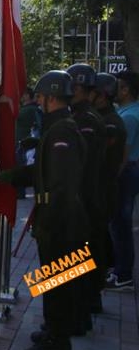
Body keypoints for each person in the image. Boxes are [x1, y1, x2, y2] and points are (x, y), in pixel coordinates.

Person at [0, 70, 88, 350]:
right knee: (53, 280)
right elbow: (40, 172)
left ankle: (57, 340)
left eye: (39, 96)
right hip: (58, 216)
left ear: (50, 97)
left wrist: (49, 222)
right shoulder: (58, 127)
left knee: (57, 280)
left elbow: (62, 184)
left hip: (60, 220)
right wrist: (7, 176)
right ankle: (54, 327)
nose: (37, 101)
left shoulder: (62, 130)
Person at [66, 64, 107, 327]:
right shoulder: (83, 118)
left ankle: (73, 318)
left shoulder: (85, 121)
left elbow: (80, 166)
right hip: (86, 198)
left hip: (84, 199)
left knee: (76, 260)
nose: (71, 92)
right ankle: (80, 310)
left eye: (76, 87)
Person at [92, 73, 126, 301]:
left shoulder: (107, 123)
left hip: (98, 193)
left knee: (91, 248)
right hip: (98, 192)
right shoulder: (101, 119)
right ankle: (88, 301)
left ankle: (82, 305)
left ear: (102, 96)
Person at [106, 70, 139, 292]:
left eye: (117, 86)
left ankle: (123, 274)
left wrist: (111, 180)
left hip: (127, 172)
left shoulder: (128, 116)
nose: (112, 90)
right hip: (130, 170)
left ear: (126, 89)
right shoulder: (130, 111)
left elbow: (122, 154)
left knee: (120, 223)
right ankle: (120, 270)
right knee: (120, 223)